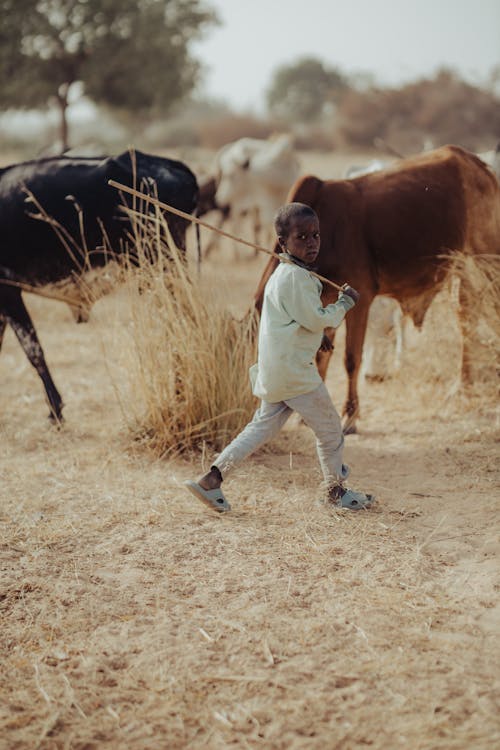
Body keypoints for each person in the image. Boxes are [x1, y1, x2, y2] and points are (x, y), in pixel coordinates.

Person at [185, 202, 374, 513]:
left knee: (258, 429)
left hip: (277, 372)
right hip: (295, 376)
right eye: (302, 237)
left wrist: (319, 338)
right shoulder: (296, 279)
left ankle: (211, 479)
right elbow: (315, 318)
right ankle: (335, 493)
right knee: (330, 431)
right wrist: (344, 304)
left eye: (315, 236)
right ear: (282, 243)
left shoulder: (284, 275)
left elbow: (294, 322)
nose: (312, 243)